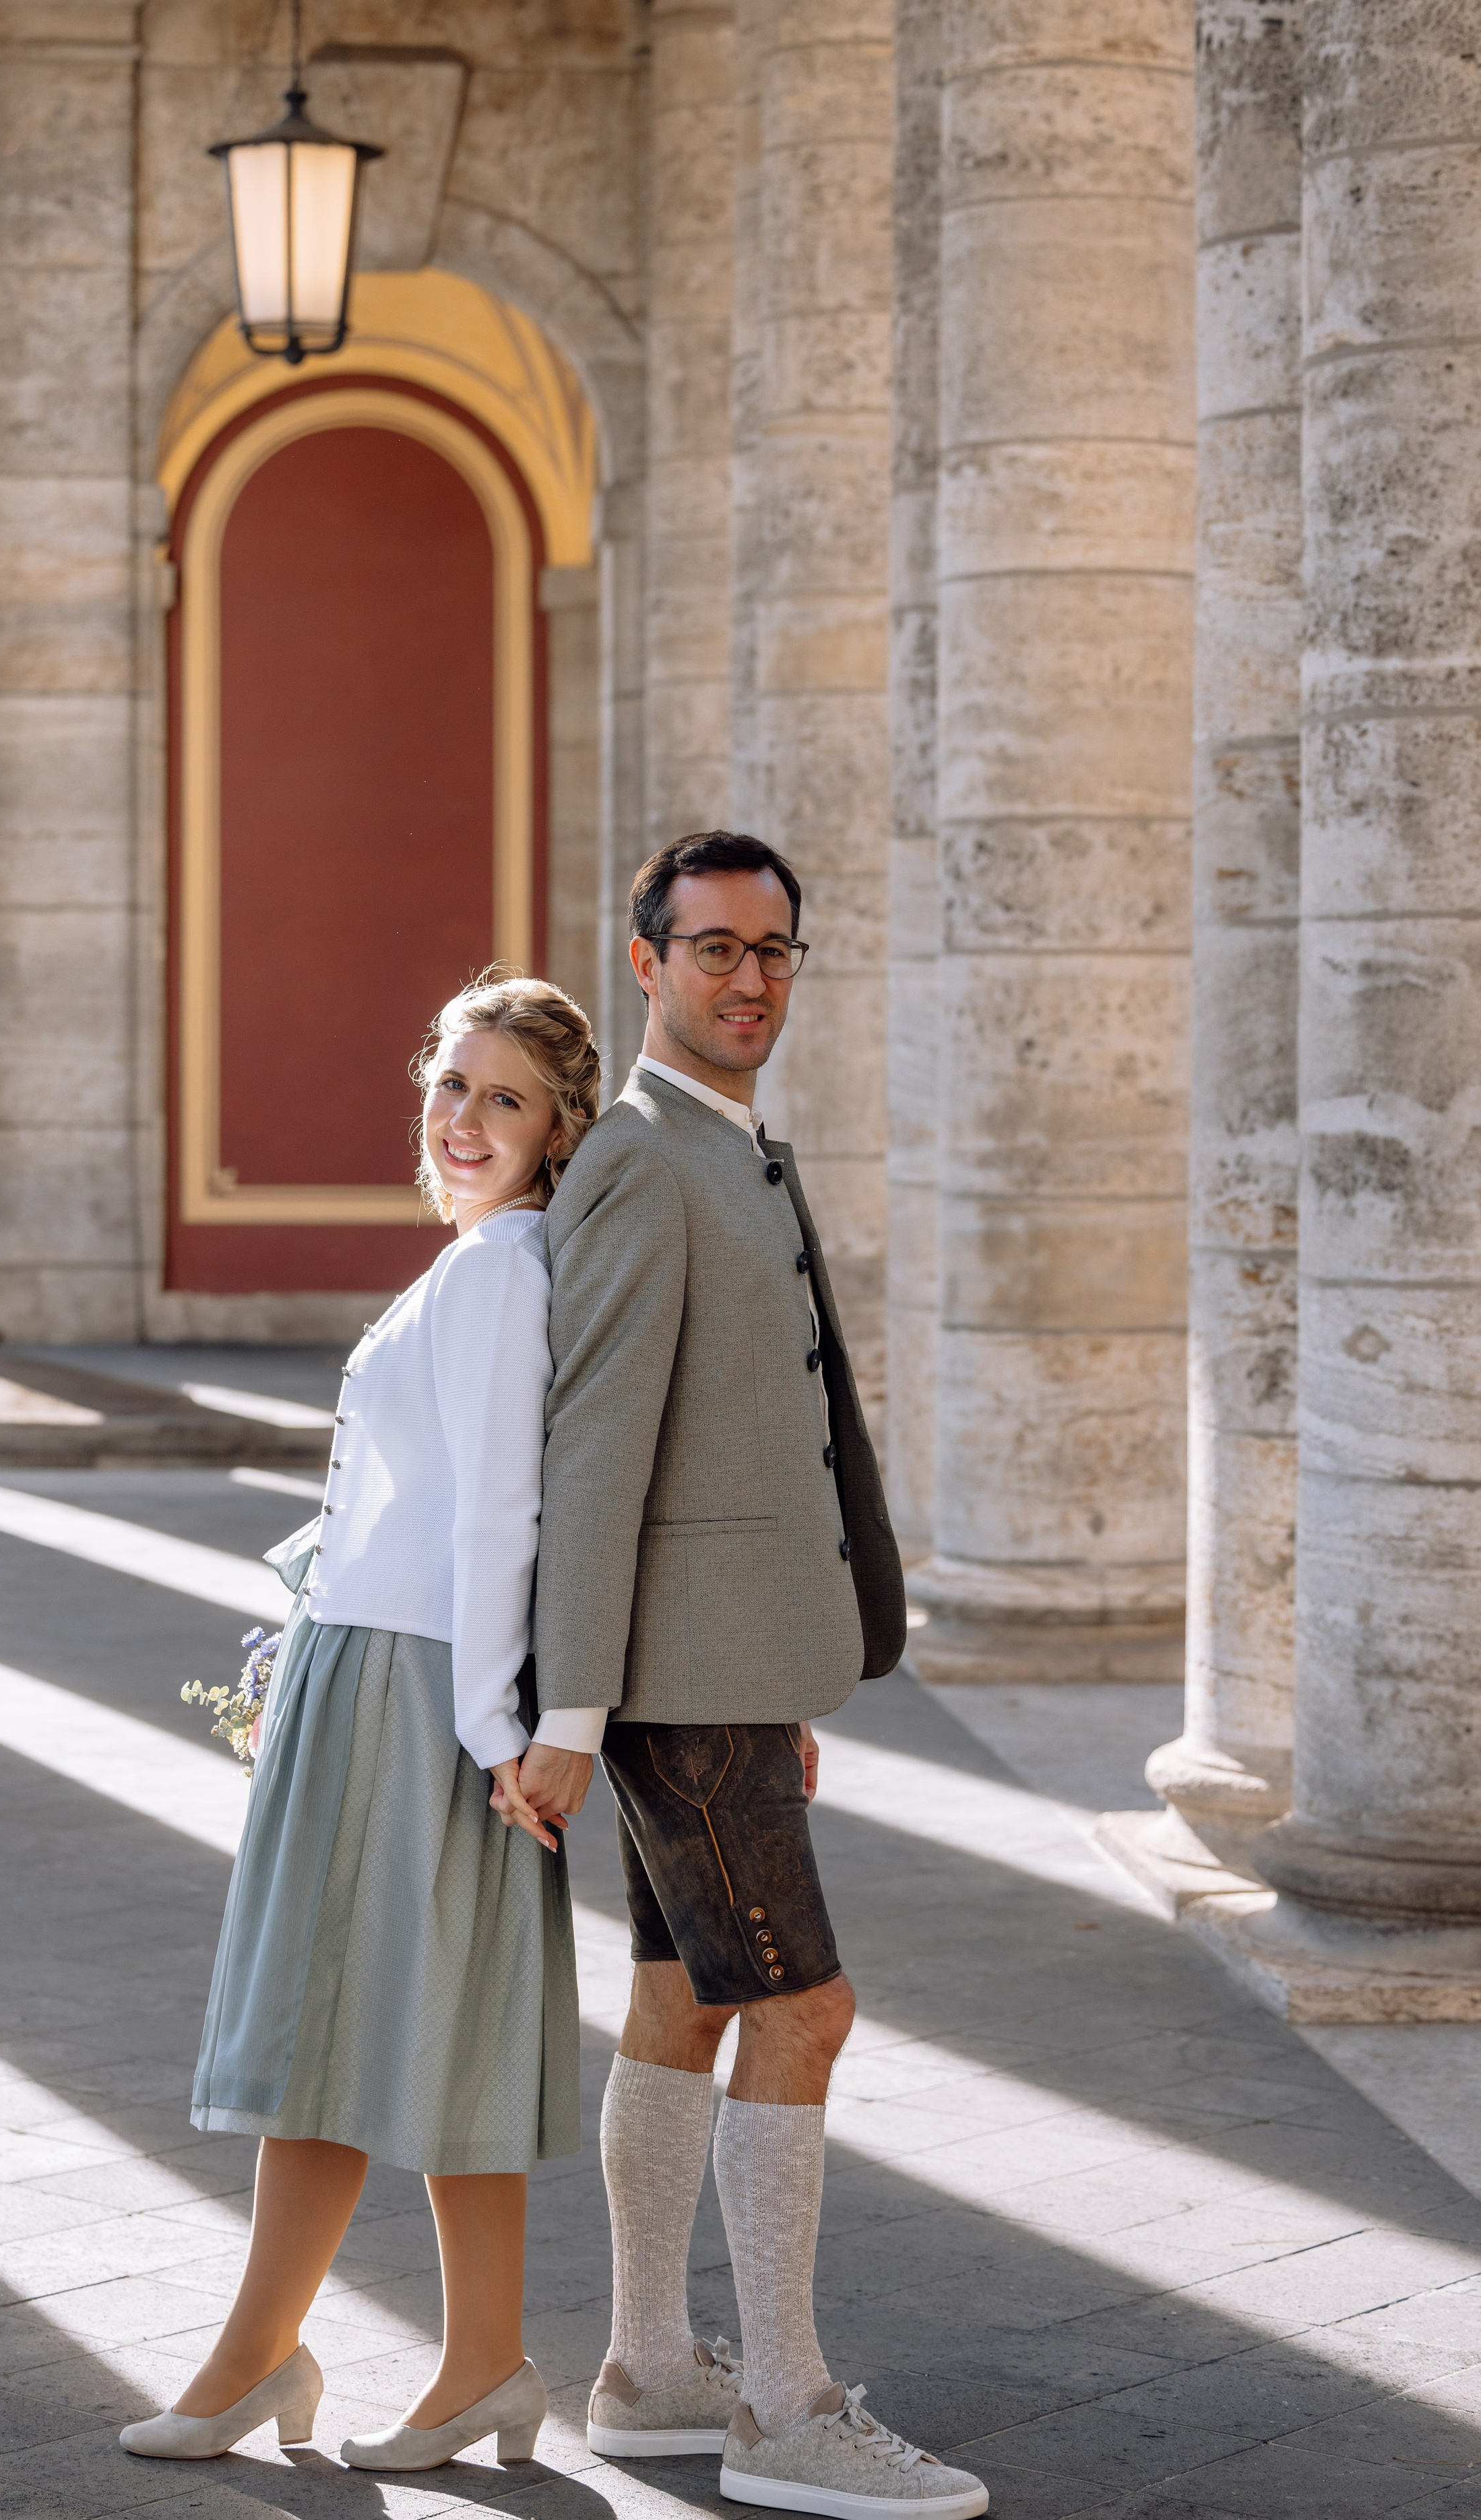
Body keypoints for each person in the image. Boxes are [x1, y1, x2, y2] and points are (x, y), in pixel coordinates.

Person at [513, 832, 992, 2519]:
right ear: (643, 963)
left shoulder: (724, 1141)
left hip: (722, 1667)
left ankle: (647, 2365)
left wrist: (782, 1660)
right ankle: (784, 2404)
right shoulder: (645, 1155)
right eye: (711, 947)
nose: (748, 977)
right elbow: (594, 1451)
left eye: (774, 948)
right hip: (665, 1680)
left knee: (691, 1995)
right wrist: (570, 1714)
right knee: (805, 2004)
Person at [119, 973, 604, 2469]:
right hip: (372, 1673)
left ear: (557, 1128)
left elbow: (502, 1517)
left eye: (503, 1098)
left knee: (348, 2026)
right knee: (402, 2033)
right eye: (450, 1085)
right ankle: (443, 2363)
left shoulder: (496, 1271)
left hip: (422, 1695)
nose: (463, 1120)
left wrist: (484, 1729)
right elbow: (404, 1502)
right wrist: (297, 1652)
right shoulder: (473, 1262)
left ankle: (295, 2360)